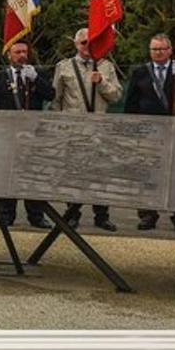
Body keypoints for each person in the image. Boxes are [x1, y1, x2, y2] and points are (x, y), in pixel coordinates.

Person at [50, 27, 123, 231]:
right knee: (73, 174)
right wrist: (59, 127)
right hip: (73, 130)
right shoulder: (63, 67)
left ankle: (101, 216)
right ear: (76, 44)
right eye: (83, 43)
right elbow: (56, 99)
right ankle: (72, 214)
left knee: (100, 174)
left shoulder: (106, 66)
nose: (87, 47)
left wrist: (102, 83)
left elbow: (117, 96)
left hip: (99, 129)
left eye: (91, 42)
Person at [128, 33, 175, 233]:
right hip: (149, 131)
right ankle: (148, 214)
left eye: (161, 49)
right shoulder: (140, 72)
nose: (158, 53)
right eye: (154, 49)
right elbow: (131, 103)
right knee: (149, 175)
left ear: (169, 50)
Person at [0, 40, 54, 228]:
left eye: (24, 51)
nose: (22, 55)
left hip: (33, 135)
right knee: (7, 175)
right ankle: (6, 215)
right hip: (7, 136)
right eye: (17, 52)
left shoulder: (37, 74)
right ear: (9, 55)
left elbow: (51, 95)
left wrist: (36, 80)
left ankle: (36, 216)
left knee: (33, 175)